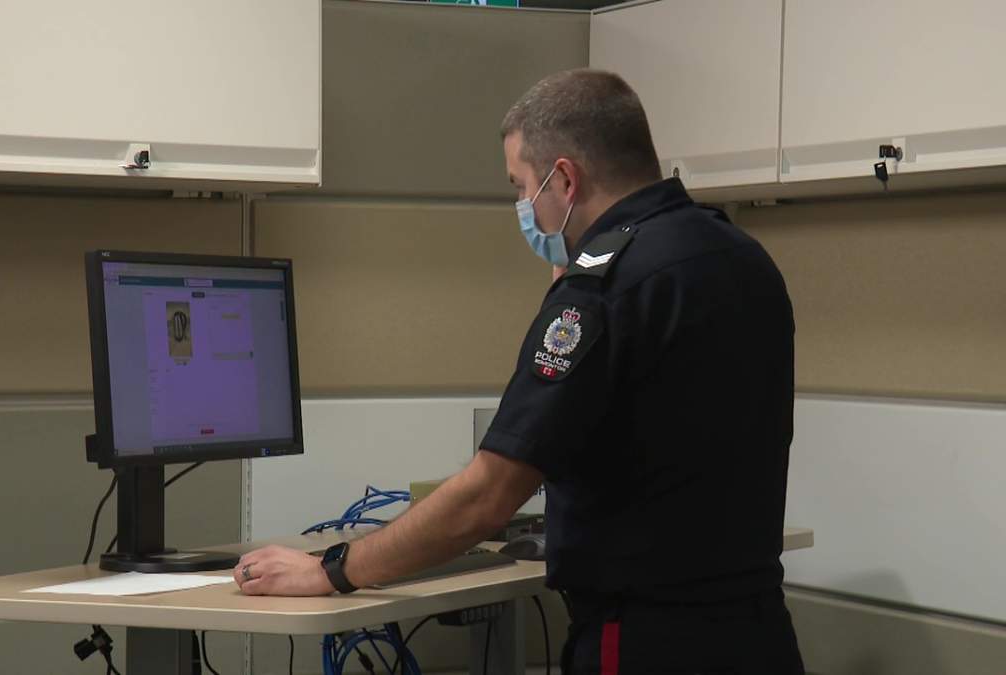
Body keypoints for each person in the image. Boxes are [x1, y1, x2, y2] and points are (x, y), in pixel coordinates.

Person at [231, 69, 804, 674]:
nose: (522, 207)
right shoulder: (739, 255)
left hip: (649, 643)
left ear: (564, 178)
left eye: (522, 185)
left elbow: (487, 497)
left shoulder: (603, 288)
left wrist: (332, 569)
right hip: (757, 630)